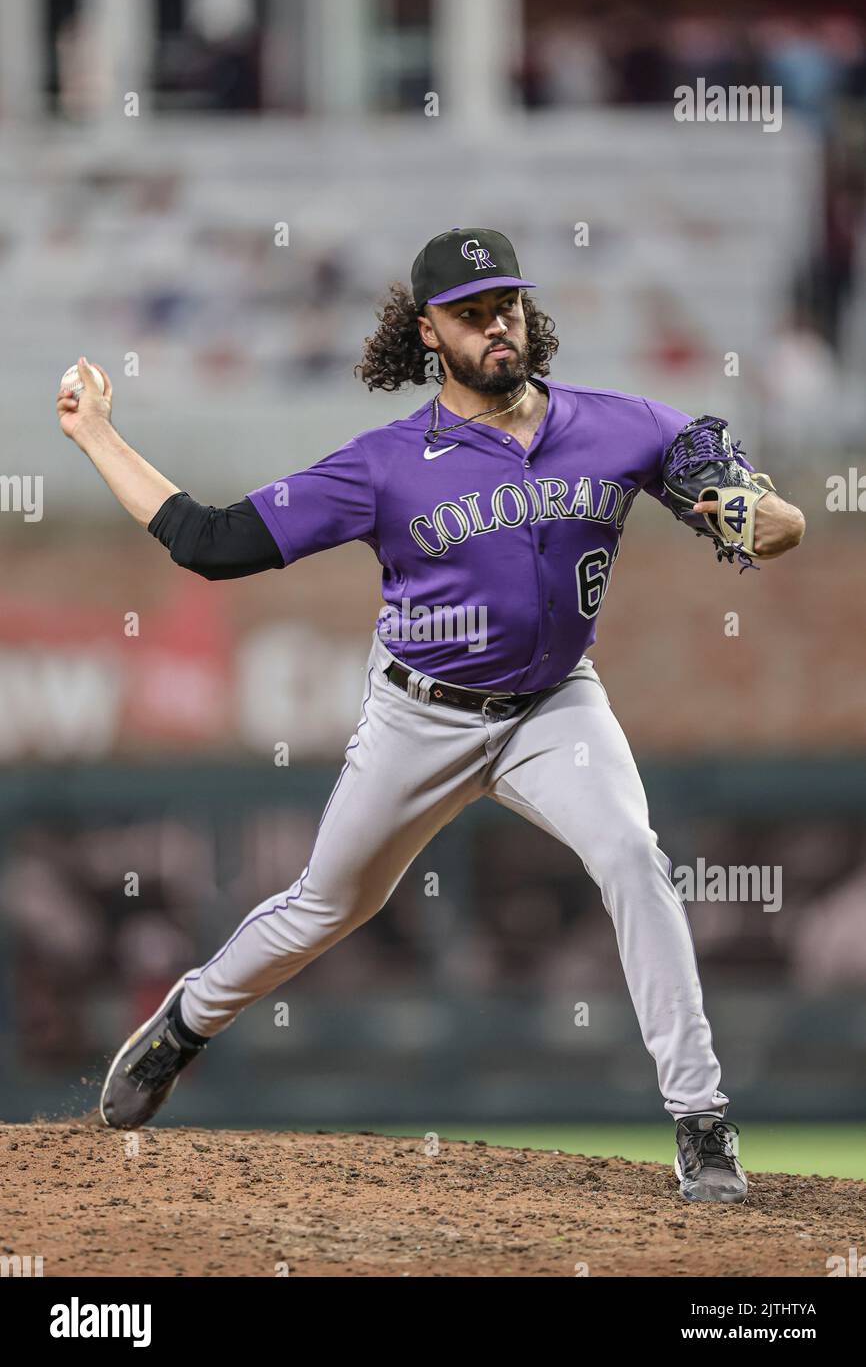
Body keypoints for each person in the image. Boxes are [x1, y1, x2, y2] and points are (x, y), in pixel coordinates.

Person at [56, 228, 805, 1203]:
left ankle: (701, 1122)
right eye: (470, 312)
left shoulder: (624, 428)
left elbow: (772, 519)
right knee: (329, 905)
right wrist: (98, 436)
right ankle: (188, 1017)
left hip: (553, 705)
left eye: (507, 305)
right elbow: (211, 541)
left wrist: (758, 514)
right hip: (420, 715)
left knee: (631, 855)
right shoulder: (384, 464)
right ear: (426, 332)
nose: (496, 325)